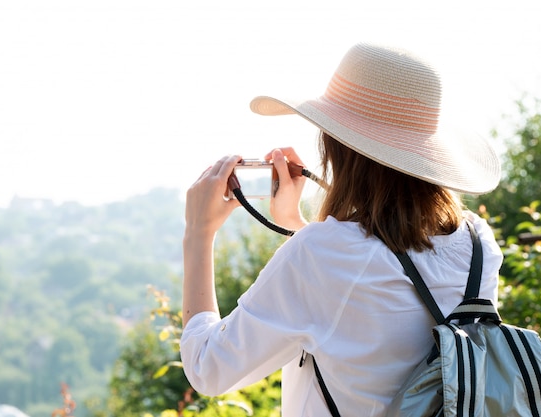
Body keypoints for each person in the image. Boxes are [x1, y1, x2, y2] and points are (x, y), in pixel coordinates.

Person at [180, 42, 503, 416]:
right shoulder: (478, 244)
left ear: (335, 144)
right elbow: (374, 285)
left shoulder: (323, 254)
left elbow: (208, 368)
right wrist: (296, 224)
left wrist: (198, 234)